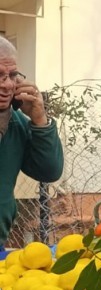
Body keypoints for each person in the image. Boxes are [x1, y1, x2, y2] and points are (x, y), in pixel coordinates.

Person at [0, 36, 63, 249]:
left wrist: (39, 120)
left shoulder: (15, 123)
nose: (7, 84)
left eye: (12, 75)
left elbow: (49, 171)